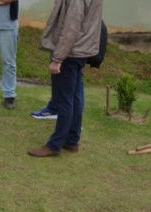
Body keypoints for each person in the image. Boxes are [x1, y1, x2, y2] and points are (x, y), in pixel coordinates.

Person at [28, 0, 103, 157]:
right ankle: (72, 140)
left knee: (64, 100)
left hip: (71, 52)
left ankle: (55, 145)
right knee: (75, 97)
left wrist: (58, 59)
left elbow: (71, 27)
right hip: (81, 51)